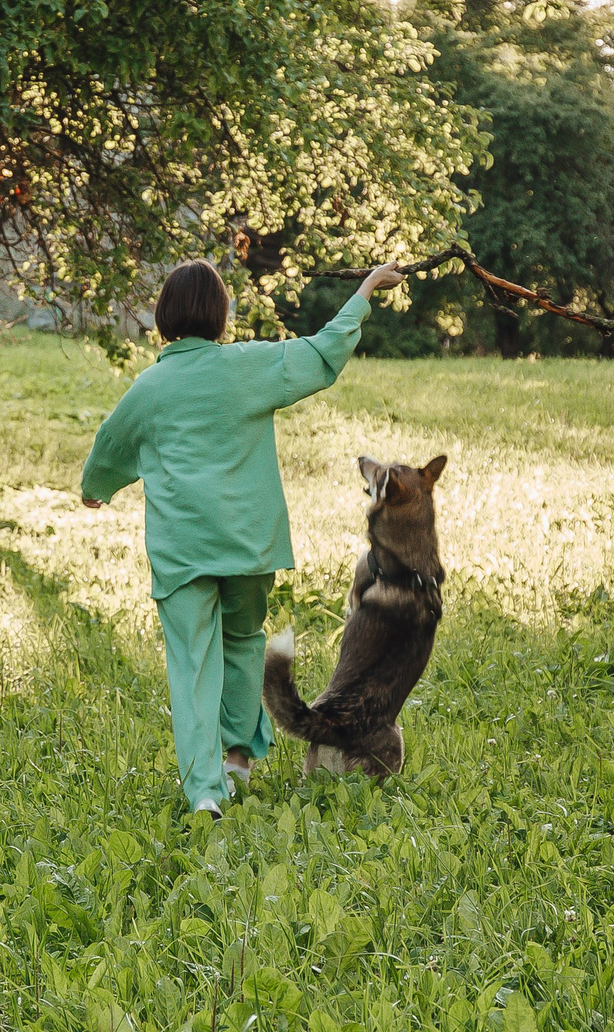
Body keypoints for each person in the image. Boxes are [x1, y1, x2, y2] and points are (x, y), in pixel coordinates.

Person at [81, 259, 404, 816]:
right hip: (249, 545)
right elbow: (323, 353)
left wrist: (97, 487)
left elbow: (111, 443)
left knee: (193, 665)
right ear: (222, 315)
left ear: (163, 317)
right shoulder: (250, 365)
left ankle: (206, 790)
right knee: (242, 643)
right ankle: (238, 760)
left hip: (183, 552)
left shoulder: (151, 385)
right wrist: (366, 288)